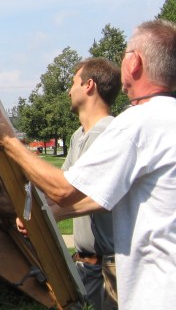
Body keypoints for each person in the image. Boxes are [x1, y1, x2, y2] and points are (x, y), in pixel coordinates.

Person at [0, 19, 176, 309]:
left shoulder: (137, 124)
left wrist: (8, 142)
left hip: (157, 293)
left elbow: (64, 190)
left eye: (126, 53)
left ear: (136, 63)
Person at [58, 58, 120, 310]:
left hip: (110, 270)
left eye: (74, 83)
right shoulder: (78, 135)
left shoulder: (109, 133)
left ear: (89, 85)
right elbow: (60, 184)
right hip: (87, 266)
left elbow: (75, 193)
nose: (69, 90)